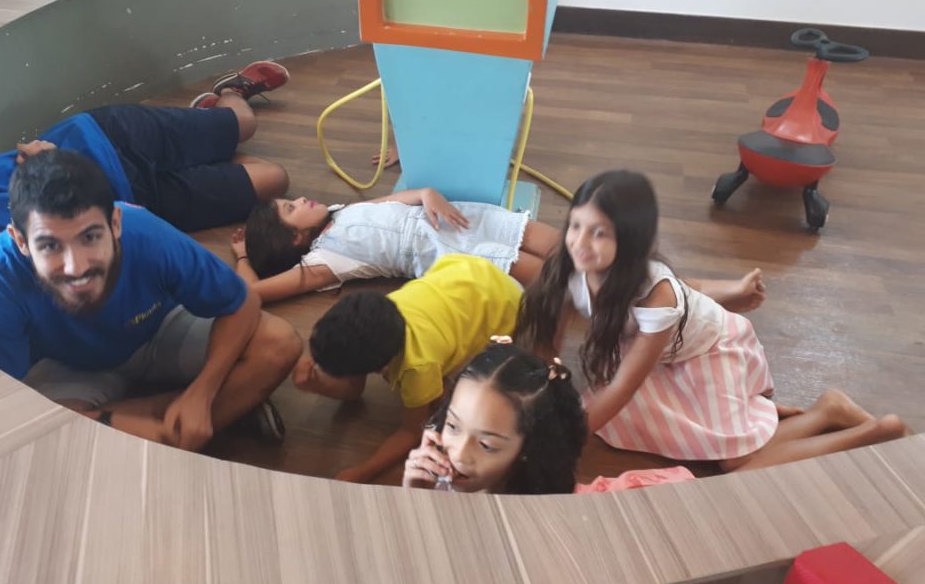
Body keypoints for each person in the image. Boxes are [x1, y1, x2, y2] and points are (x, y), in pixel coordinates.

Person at [516, 169, 907, 472]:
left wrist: (561, 439)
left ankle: (849, 420)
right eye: (576, 226)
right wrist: (539, 406)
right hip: (660, 359)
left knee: (735, 463)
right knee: (605, 422)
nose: (581, 243)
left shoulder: (656, 296)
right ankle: (763, 415)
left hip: (711, 355)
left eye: (600, 234)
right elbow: (549, 350)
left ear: (632, 244)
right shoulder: (568, 266)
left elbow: (622, 388)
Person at [0, 149, 303, 450]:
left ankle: (152, 428)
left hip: (157, 330)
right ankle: (214, 413)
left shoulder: (148, 233)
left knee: (279, 343)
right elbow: (4, 410)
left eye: (90, 237)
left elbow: (242, 302)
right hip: (68, 368)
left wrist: (203, 392)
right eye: (50, 245)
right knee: (39, 434)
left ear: (115, 223)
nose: (75, 267)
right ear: (20, 241)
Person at [0, 62, 290, 239]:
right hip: (134, 204)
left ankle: (230, 93)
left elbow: (29, 154)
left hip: (107, 139)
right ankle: (204, 138)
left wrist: (45, 162)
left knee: (243, 125)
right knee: (274, 179)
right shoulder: (7, 266)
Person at [295, 254, 524, 483]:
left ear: (380, 367)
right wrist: (316, 384)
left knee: (446, 400)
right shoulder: (377, 312)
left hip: (511, 306)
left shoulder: (417, 368)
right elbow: (354, 390)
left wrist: (362, 472)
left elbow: (411, 432)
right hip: (471, 271)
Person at [234, 188, 561, 302]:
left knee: (558, 244)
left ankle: (595, 274)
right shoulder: (324, 261)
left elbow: (394, 200)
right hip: (449, 254)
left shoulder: (340, 211)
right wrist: (243, 258)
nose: (301, 199)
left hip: (457, 219)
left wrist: (426, 194)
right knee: (555, 279)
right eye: (291, 208)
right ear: (294, 238)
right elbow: (252, 293)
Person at [401, 342, 587, 494]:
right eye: (453, 426)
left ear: (529, 448)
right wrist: (417, 498)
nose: (459, 455)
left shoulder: (539, 513)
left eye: (486, 445)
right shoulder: (433, 482)